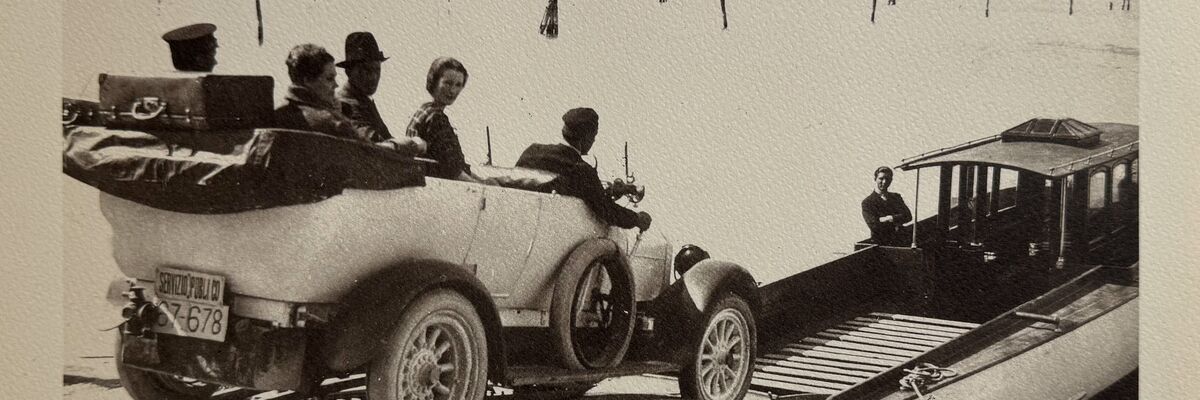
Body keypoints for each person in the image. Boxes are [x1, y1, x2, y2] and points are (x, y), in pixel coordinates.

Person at [516, 108, 653, 232]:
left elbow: (557, 186)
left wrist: (609, 192)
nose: (593, 141)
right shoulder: (582, 170)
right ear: (586, 138)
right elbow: (606, 210)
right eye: (594, 136)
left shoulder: (532, 151)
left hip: (522, 222)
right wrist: (636, 219)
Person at [336, 32, 425, 154]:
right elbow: (374, 143)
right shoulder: (344, 103)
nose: (373, 77)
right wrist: (413, 144)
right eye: (366, 70)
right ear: (348, 71)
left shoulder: (364, 100)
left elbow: (386, 139)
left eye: (377, 70)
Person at [404, 57, 479, 181]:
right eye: (448, 83)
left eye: (458, 85)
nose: (452, 90)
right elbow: (453, 171)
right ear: (434, 82)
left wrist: (482, 180)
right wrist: (481, 186)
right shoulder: (436, 117)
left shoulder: (423, 110)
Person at [272, 44, 364, 140]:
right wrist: (337, 115)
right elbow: (371, 151)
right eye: (329, 79)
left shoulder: (275, 115)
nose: (336, 85)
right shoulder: (333, 123)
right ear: (307, 80)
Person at [861, 166, 913, 246]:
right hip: (881, 246)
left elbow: (908, 216)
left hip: (900, 243)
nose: (884, 182)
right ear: (875, 179)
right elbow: (875, 226)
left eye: (887, 179)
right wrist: (897, 220)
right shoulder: (868, 202)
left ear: (891, 180)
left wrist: (889, 218)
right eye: (881, 178)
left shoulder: (896, 197)